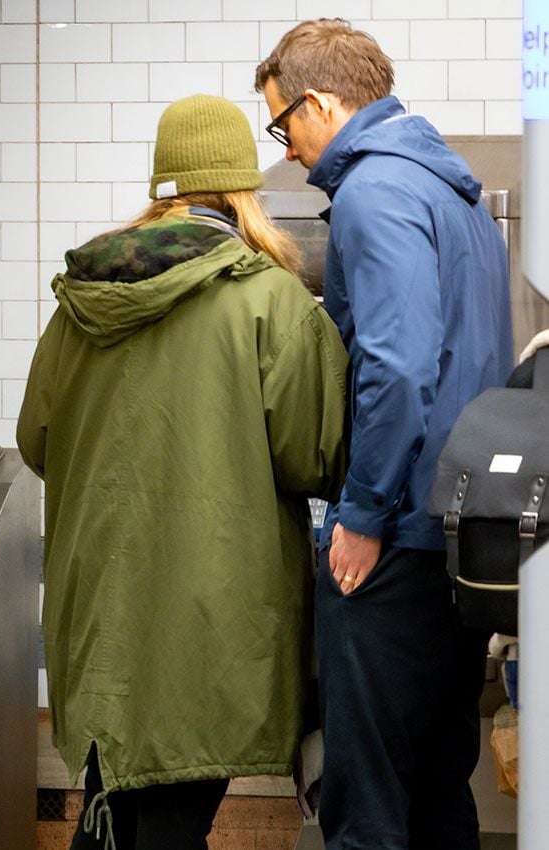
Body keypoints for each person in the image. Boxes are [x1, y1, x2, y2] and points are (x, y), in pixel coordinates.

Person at [16, 93, 349, 850]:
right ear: (243, 190)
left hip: (99, 605)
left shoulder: (80, 300)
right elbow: (318, 456)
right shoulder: (270, 302)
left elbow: (37, 440)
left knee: (111, 810)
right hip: (210, 616)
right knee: (168, 821)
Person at [256, 19, 514, 850]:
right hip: (461, 537)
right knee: (443, 789)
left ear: (321, 103)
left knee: (365, 805)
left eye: (283, 122)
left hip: (396, 538)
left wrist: (362, 515)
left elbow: (397, 369)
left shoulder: (372, 192)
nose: (288, 147)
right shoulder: (458, 192)